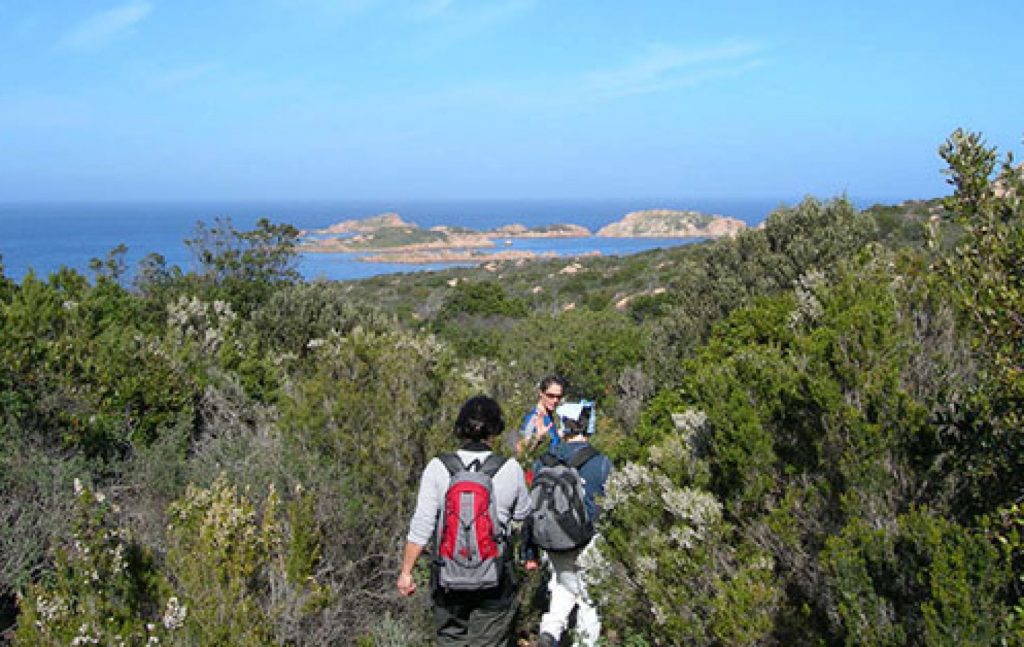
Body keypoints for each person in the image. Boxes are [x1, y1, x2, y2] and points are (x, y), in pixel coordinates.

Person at [397, 395, 531, 646]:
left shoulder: (438, 467)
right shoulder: (510, 469)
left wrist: (406, 572)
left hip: (448, 578)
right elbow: (523, 515)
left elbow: (422, 524)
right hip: (494, 576)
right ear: (495, 429)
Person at [526, 400, 613, 647]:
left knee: (563, 587)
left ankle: (550, 631)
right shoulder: (601, 462)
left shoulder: (545, 461)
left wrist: (530, 550)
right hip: (588, 539)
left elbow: (533, 505)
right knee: (589, 600)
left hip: (553, 540)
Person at [515, 375, 566, 458]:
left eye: (558, 397)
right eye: (551, 396)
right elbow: (520, 452)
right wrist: (538, 438)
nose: (555, 400)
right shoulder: (533, 418)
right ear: (541, 393)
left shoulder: (550, 416)